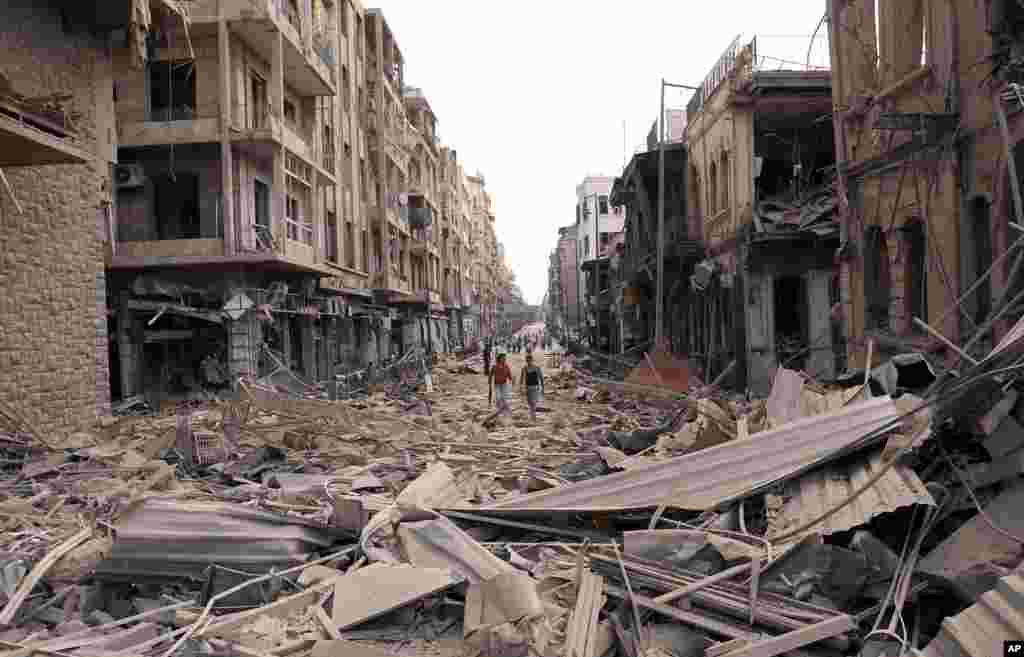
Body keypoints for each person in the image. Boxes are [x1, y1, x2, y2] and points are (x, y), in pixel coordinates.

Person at [520, 352, 544, 421]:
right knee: (530, 402)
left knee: (533, 402)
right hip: (528, 387)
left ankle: (533, 416)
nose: (528, 362)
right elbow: (522, 378)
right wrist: (521, 387)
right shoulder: (524, 368)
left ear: (532, 360)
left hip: (535, 387)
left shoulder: (537, 368)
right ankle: (532, 415)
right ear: (526, 361)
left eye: (529, 360)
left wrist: (542, 387)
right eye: (527, 360)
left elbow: (541, 378)